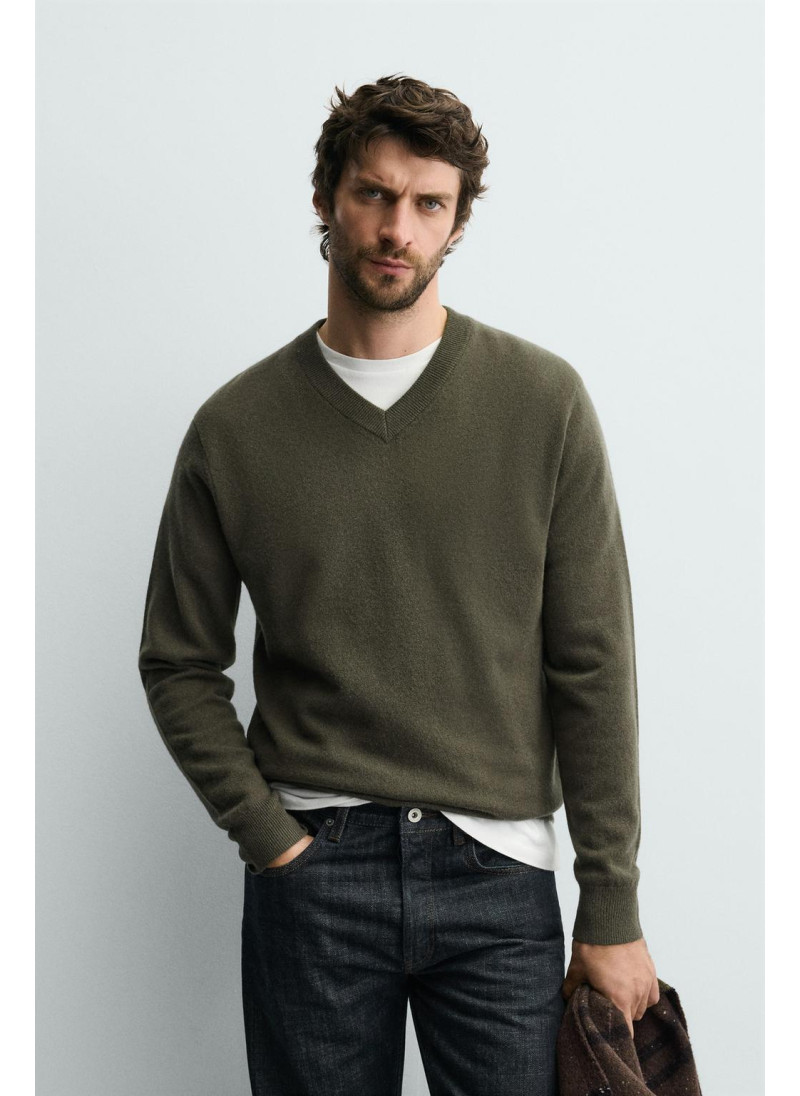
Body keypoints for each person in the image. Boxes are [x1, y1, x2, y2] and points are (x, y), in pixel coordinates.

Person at [138, 73, 659, 1096]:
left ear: (457, 222)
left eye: (428, 204)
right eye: (374, 194)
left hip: (497, 872)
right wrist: (270, 839)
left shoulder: (542, 403)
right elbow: (178, 662)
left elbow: (592, 663)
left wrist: (612, 905)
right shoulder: (235, 428)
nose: (396, 229)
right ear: (326, 198)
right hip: (313, 868)